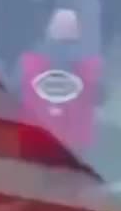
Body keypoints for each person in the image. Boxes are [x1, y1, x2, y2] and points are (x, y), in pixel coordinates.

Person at [18, 9, 103, 154]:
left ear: (50, 29)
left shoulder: (29, 60)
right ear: (78, 31)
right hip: (76, 140)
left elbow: (14, 91)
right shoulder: (91, 63)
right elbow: (100, 95)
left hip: (36, 136)